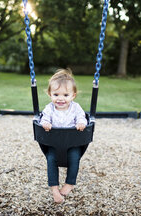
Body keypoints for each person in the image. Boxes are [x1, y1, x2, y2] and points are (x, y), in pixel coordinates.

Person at [40, 68, 87, 203]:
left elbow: (82, 117)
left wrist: (81, 123)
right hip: (54, 143)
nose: (60, 98)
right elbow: (44, 118)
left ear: (73, 95)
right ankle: (54, 189)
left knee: (75, 158)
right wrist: (46, 123)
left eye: (65, 95)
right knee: (50, 159)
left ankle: (69, 183)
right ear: (50, 94)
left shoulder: (76, 107)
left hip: (72, 142)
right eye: (56, 94)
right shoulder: (49, 108)